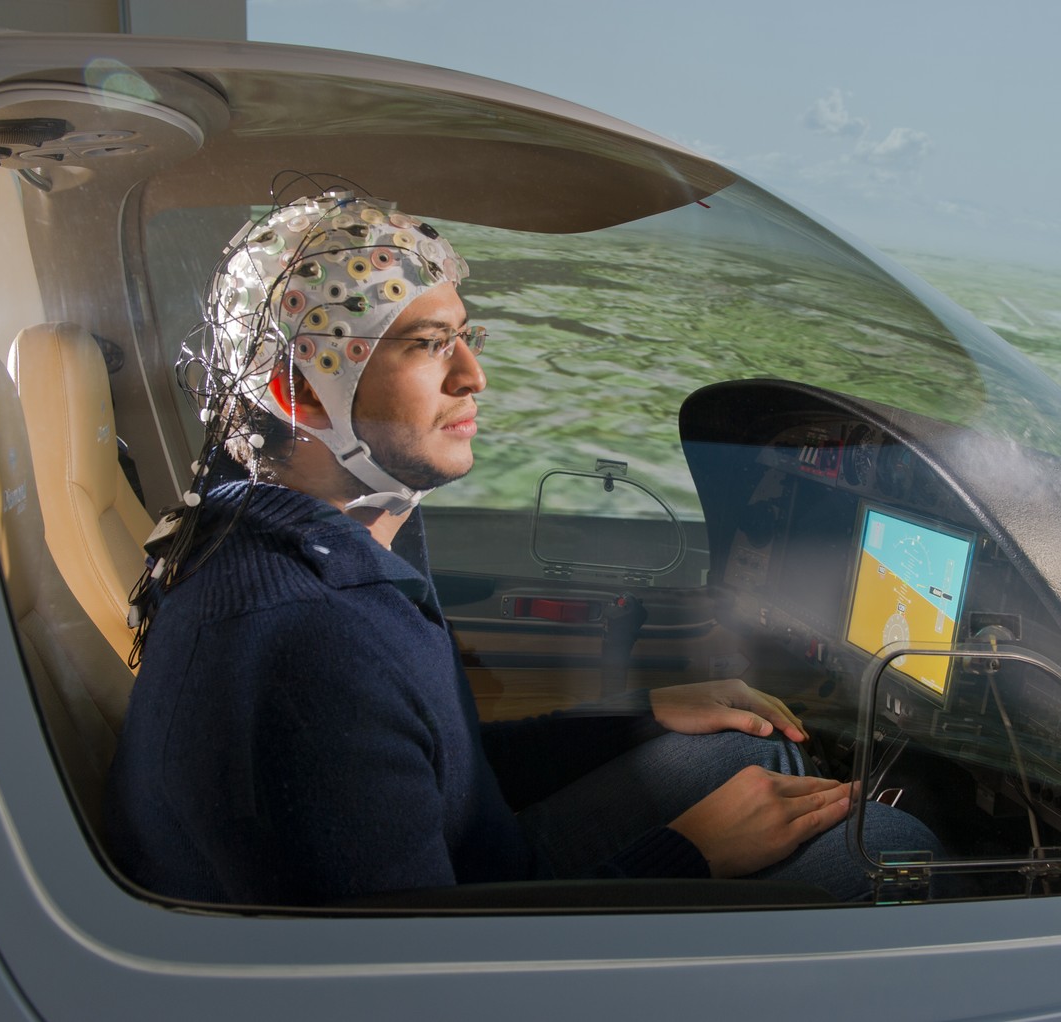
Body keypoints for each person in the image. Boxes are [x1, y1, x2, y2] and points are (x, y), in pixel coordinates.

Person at [104, 189, 938, 906]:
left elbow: (430, 774)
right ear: (298, 389)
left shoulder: (331, 540)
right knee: (896, 851)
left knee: (756, 747)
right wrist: (692, 854)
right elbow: (421, 974)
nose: (474, 376)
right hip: (454, 932)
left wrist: (634, 721)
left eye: (466, 335)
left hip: (473, 867)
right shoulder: (300, 641)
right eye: (426, 344)